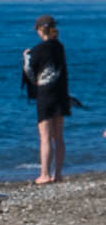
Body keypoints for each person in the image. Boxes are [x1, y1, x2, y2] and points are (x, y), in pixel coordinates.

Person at [23, 14, 70, 184]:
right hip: (61, 93)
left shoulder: (38, 50)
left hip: (46, 94)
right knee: (59, 136)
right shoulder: (60, 47)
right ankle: (58, 174)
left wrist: (25, 58)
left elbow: (29, 73)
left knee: (45, 136)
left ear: (40, 29)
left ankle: (44, 174)